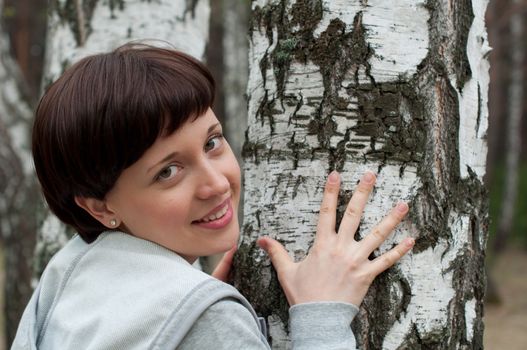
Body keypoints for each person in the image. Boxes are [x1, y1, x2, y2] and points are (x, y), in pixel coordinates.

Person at [11, 43, 414, 349]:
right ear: (100, 205)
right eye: (168, 172)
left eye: (212, 143)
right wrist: (322, 319)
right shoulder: (206, 320)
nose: (217, 184)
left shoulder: (66, 279)